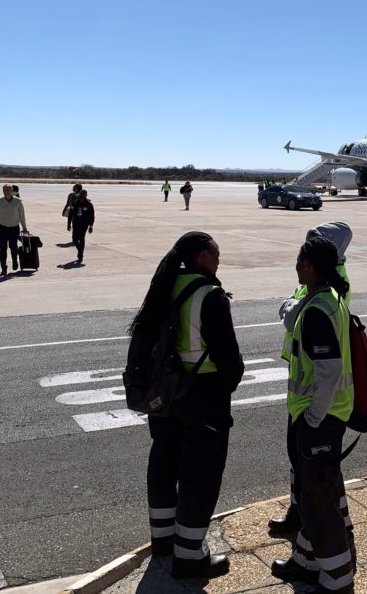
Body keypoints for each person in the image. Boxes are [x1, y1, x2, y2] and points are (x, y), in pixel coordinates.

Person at [134, 232, 244, 580]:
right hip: (202, 395)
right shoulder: (209, 296)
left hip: (164, 394)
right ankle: (189, 556)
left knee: (163, 463)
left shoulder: (164, 286)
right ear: (199, 256)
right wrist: (227, 384)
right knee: (201, 475)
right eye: (214, 252)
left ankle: (163, 541)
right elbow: (229, 360)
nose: (218, 258)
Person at [270, 236, 354, 593]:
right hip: (322, 415)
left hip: (321, 418)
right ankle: (305, 563)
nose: (296, 265)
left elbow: (328, 370)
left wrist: (314, 418)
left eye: (299, 259)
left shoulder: (318, 309)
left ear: (309, 266)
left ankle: (337, 579)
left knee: (319, 503)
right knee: (314, 493)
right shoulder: (326, 299)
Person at [0, 184, 28, 276]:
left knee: (13, 247)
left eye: (8, 190)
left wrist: (24, 227)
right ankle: (3, 268)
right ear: (2, 191)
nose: (6, 192)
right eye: (4, 190)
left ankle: (15, 261)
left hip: (14, 229)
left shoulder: (18, 202)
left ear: (12, 191)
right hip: (2, 229)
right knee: (3, 250)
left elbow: (22, 216)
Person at [67, 189, 94, 264]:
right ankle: (80, 250)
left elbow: (92, 216)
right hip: (75, 223)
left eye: (83, 194)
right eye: (81, 194)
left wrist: (91, 226)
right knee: (75, 239)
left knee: (82, 238)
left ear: (86, 195)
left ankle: (80, 255)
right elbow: (70, 214)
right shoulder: (75, 203)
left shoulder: (89, 204)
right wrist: (68, 224)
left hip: (84, 224)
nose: (81, 196)